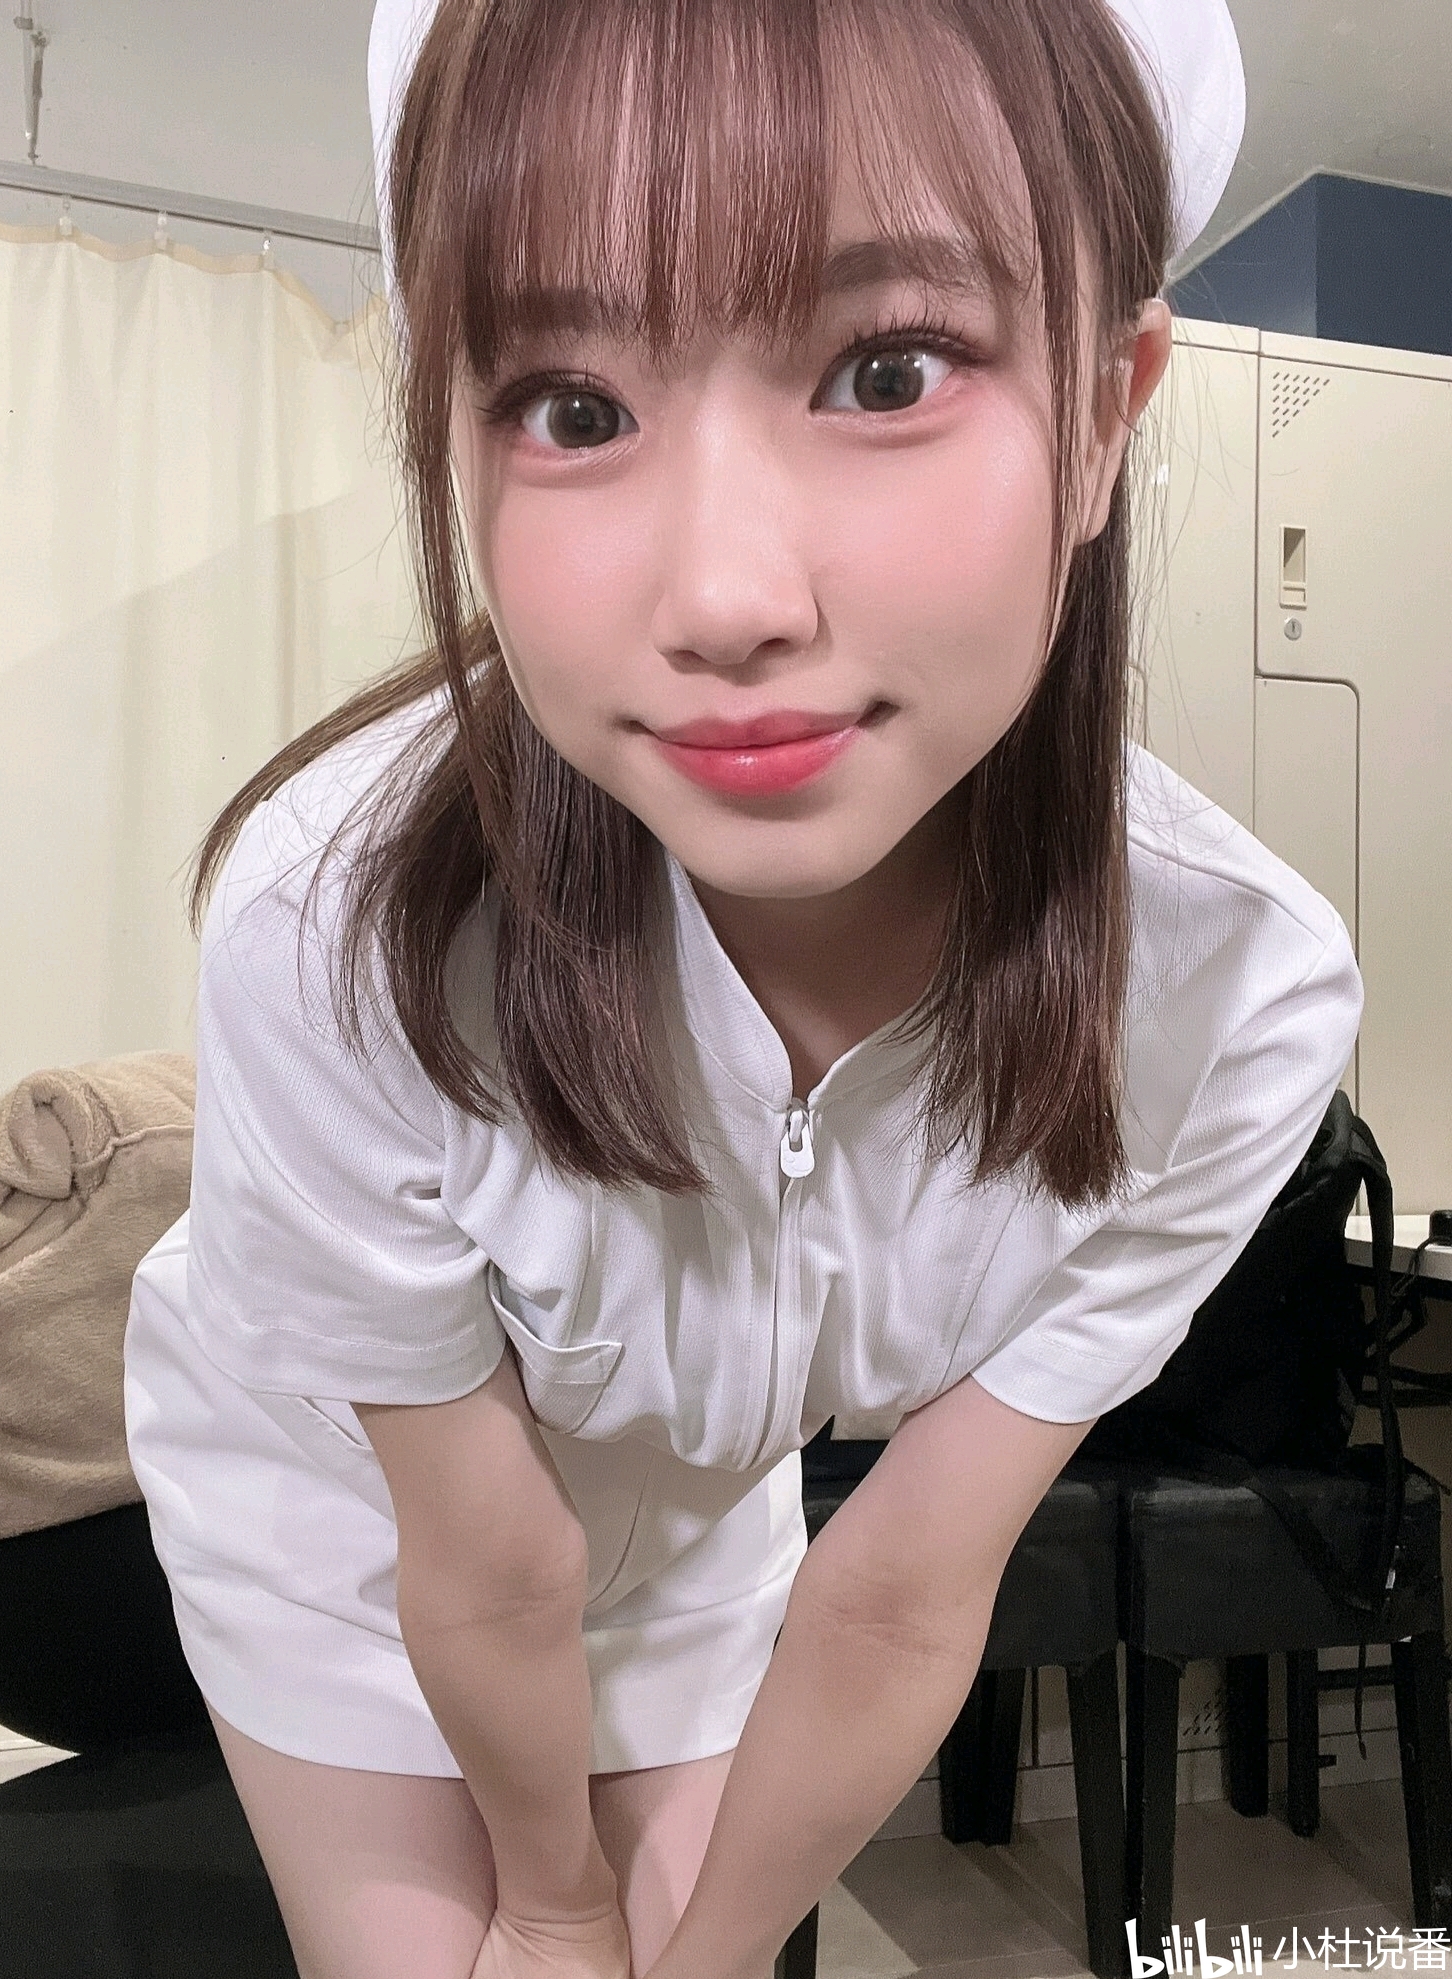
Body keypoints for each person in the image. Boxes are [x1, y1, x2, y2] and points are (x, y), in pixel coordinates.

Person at [121, 1, 1359, 1976]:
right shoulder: (334, 925)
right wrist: (551, 1906)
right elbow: (488, 1561)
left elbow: (900, 1589)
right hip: (350, 1521)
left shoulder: (1232, 1003)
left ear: (1107, 411)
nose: (724, 600)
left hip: (696, 1531)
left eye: (888, 369)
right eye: (572, 408)